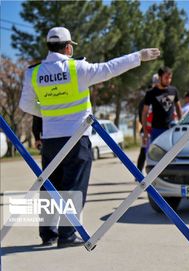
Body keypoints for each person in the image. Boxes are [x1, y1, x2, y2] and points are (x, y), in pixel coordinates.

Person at [19, 26, 160, 247]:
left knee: (49, 185)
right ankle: (66, 235)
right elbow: (109, 68)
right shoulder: (78, 69)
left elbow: (25, 105)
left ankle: (48, 234)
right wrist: (138, 57)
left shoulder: (33, 73)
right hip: (76, 137)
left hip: (50, 139)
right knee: (74, 185)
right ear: (68, 47)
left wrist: (49, 114)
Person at [141, 67, 182, 145]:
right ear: (160, 77)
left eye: (170, 78)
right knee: (156, 155)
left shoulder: (173, 90)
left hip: (172, 129)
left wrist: (181, 123)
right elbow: (144, 113)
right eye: (166, 77)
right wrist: (145, 133)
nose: (169, 80)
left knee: (172, 154)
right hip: (156, 130)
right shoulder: (151, 93)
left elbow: (178, 107)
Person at [136, 74, 158, 173]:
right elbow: (142, 117)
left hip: (154, 130)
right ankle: (139, 173)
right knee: (145, 152)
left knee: (146, 152)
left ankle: (139, 173)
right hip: (147, 131)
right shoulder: (145, 101)